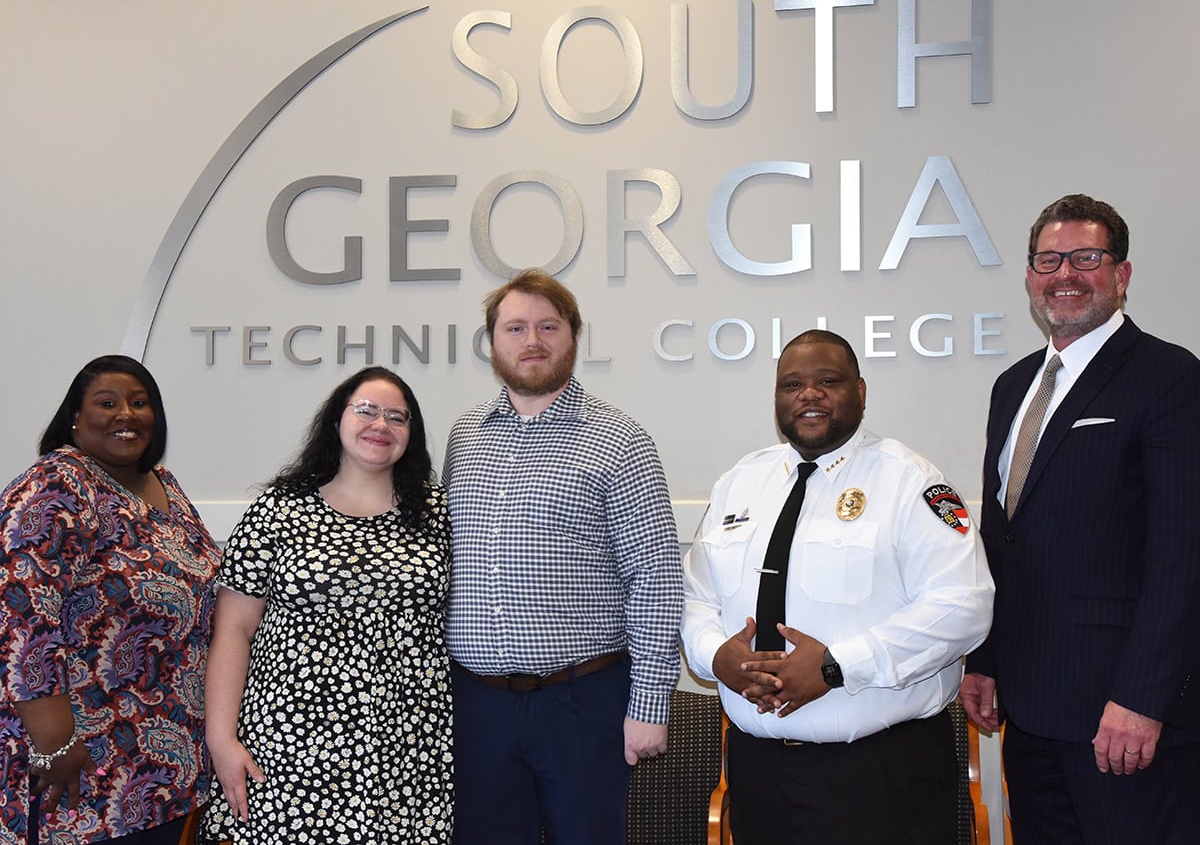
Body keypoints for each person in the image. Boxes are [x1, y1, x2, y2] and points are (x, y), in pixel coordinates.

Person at [681, 329, 994, 844]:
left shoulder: (910, 482)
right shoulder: (740, 481)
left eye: (828, 381)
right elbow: (696, 596)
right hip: (760, 775)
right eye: (793, 384)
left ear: (861, 392)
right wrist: (717, 657)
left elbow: (963, 607)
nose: (809, 394)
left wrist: (836, 666)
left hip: (882, 777)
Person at [960, 194, 1200, 843]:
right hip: (1029, 710)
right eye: (1048, 259)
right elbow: (1000, 539)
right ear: (1031, 276)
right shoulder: (1014, 386)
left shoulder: (1170, 377)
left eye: (1086, 257)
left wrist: (1141, 698)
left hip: (1120, 717)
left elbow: (1182, 555)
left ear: (1121, 274)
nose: (1064, 273)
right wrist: (984, 658)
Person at [443, 268, 683, 845]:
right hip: (477, 704)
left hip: (582, 703)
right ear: (492, 342)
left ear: (574, 337)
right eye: (515, 327)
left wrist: (649, 705)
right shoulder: (463, 436)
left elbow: (656, 578)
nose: (533, 341)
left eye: (548, 326)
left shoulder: (620, 439)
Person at [200, 367, 452, 844]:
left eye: (398, 417)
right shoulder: (278, 508)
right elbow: (234, 630)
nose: (381, 424)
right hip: (288, 742)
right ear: (337, 420)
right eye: (366, 410)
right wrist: (222, 739)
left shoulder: (438, 512)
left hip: (408, 745)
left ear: (411, 435)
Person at [0, 354, 220, 845]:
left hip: (169, 772)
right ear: (75, 417)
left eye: (139, 403)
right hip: (84, 772)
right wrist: (54, 745)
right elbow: (19, 615)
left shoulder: (164, 485)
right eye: (108, 402)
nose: (126, 414)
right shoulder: (55, 486)